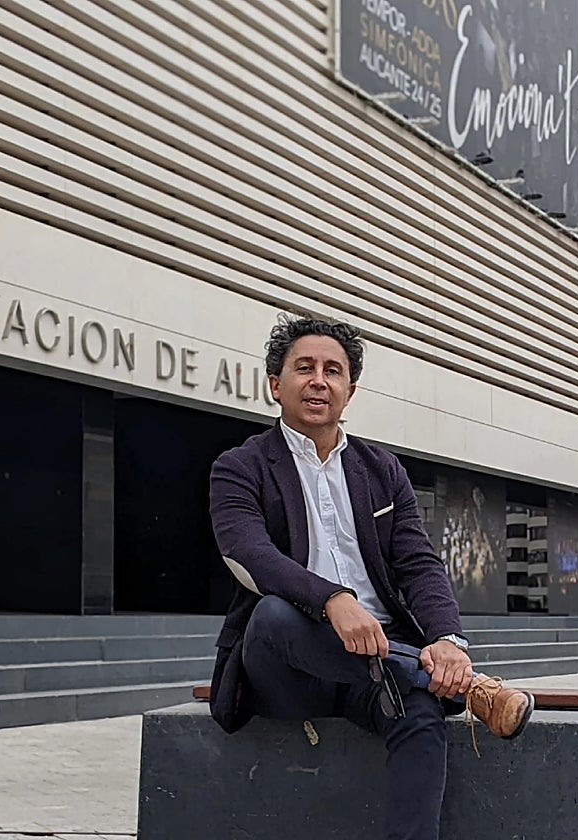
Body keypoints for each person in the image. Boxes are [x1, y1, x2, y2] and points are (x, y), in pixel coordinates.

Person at [208, 315, 534, 840]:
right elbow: (249, 554)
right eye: (305, 368)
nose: (320, 380)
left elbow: (418, 563)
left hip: (377, 672)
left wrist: (447, 640)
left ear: (350, 390)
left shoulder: (382, 470)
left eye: (333, 371)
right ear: (276, 384)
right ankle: (467, 688)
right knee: (272, 616)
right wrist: (332, 600)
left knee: (421, 709)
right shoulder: (241, 466)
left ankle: (429, 677)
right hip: (289, 667)